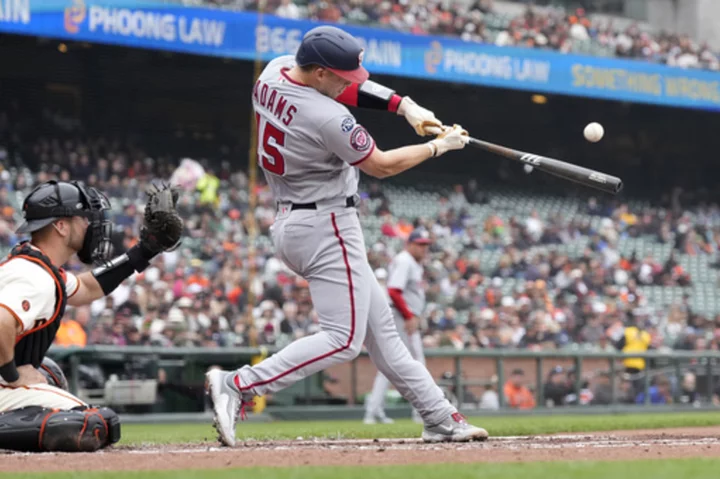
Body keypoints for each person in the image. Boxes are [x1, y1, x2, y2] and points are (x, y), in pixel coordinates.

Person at [205, 25, 485, 447]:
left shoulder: (275, 70)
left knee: (382, 334)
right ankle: (240, 385)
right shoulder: (326, 116)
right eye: (340, 76)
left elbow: (349, 89)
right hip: (327, 224)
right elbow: (382, 165)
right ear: (318, 72)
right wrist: (439, 147)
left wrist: (404, 106)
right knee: (343, 340)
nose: (349, 84)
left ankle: (439, 416)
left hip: (294, 219)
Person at [0, 180, 181, 452]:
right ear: (60, 226)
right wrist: (12, 375)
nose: (90, 224)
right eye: (83, 218)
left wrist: (146, 249)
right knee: (94, 425)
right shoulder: (34, 276)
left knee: (50, 372)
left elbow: (87, 287)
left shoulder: (38, 266)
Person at [364, 228, 431, 425]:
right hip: (402, 317)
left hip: (404, 316)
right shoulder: (405, 260)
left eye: (426, 245)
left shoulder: (413, 263)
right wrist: (409, 316)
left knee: (391, 364)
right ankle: (424, 412)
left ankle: (373, 411)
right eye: (420, 244)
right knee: (416, 363)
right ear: (409, 244)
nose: (423, 248)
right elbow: (394, 291)